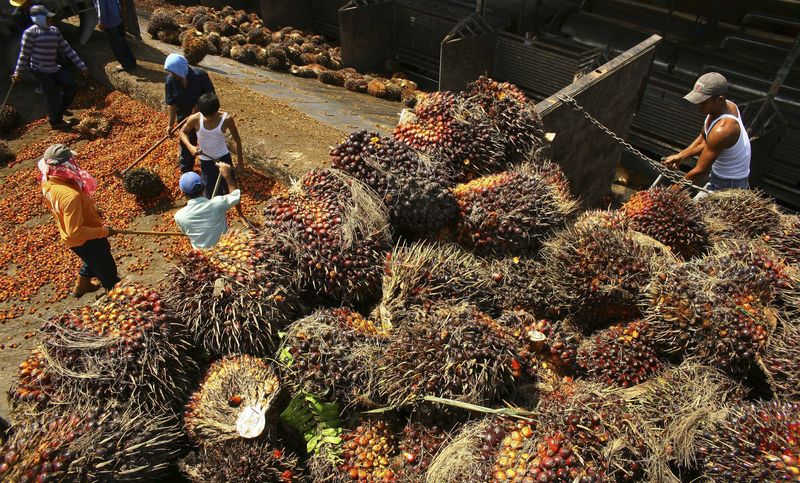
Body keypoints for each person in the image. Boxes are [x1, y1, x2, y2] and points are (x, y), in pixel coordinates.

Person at [38, 144, 120, 297]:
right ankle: (115, 294)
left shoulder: (47, 181)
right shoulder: (70, 196)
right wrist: (104, 231)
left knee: (92, 258)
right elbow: (75, 232)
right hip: (85, 239)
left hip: (75, 237)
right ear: (65, 166)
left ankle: (82, 285)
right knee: (107, 269)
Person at [664, 72, 751, 192]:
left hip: (729, 184)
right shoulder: (723, 107)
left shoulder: (723, 129)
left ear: (719, 100)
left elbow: (700, 171)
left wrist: (670, 191)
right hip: (717, 174)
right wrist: (681, 156)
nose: (699, 107)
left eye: (703, 102)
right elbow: (704, 139)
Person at [11, 5, 87, 130]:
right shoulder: (30, 33)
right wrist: (18, 71)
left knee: (71, 85)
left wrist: (81, 66)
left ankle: (61, 109)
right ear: (38, 19)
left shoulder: (54, 31)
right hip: (40, 70)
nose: (50, 20)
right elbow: (24, 54)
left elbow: (67, 49)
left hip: (54, 67)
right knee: (53, 94)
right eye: (47, 18)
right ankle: (56, 122)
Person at [179, 92, 243, 198]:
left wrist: (240, 163)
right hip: (206, 161)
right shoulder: (195, 119)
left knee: (231, 189)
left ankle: (239, 214)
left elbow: (236, 139)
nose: (210, 118)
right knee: (210, 192)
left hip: (224, 158)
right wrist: (190, 146)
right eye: (206, 116)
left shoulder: (226, 119)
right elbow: (182, 132)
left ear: (217, 110)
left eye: (212, 115)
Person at [164, 53, 215, 173]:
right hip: (184, 114)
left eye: (174, 72)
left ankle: (212, 166)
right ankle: (186, 169)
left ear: (181, 69)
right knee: (186, 140)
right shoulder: (170, 81)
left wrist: (199, 106)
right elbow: (171, 104)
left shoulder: (200, 75)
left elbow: (211, 95)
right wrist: (170, 125)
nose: (172, 74)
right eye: (170, 72)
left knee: (206, 139)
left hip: (204, 113)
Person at [173, 164, 241, 249]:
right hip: (225, 249)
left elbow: (185, 232)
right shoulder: (217, 204)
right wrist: (227, 176)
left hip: (203, 257)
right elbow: (236, 196)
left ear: (182, 193)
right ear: (204, 187)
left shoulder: (179, 216)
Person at [94, 0, 137, 72]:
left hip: (109, 21)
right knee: (122, 42)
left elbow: (101, 8)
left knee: (116, 46)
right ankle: (132, 61)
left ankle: (126, 65)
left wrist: (101, 21)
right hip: (117, 18)